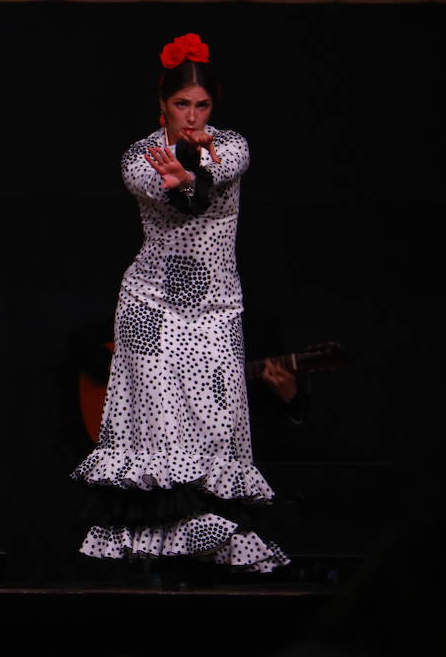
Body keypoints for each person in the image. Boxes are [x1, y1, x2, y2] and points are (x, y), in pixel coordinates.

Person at [71, 33, 288, 573]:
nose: (191, 116)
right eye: (181, 105)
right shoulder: (139, 157)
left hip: (216, 308)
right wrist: (180, 180)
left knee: (216, 423)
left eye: (202, 105)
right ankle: (162, 554)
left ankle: (212, 539)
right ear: (162, 105)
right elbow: (180, 203)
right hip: (151, 305)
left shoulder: (231, 146)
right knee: (160, 428)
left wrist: (192, 174)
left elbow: (205, 185)